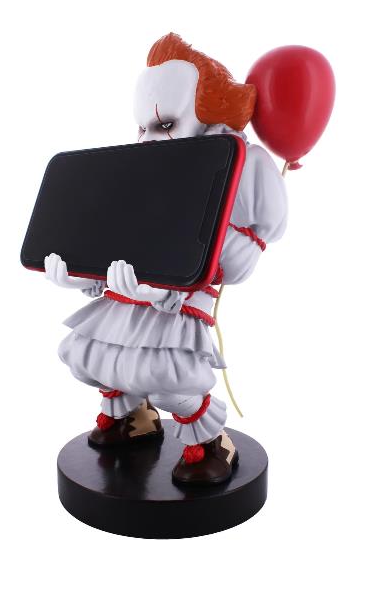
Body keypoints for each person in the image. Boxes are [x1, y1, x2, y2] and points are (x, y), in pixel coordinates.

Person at [45, 33, 287, 485]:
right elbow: (112, 237)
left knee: (168, 377)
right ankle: (133, 418)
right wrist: (80, 274)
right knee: (92, 355)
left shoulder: (237, 167)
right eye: (145, 127)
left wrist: (165, 283)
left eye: (166, 123)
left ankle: (211, 443)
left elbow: (234, 261)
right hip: (125, 291)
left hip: (180, 298)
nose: (149, 139)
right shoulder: (139, 171)